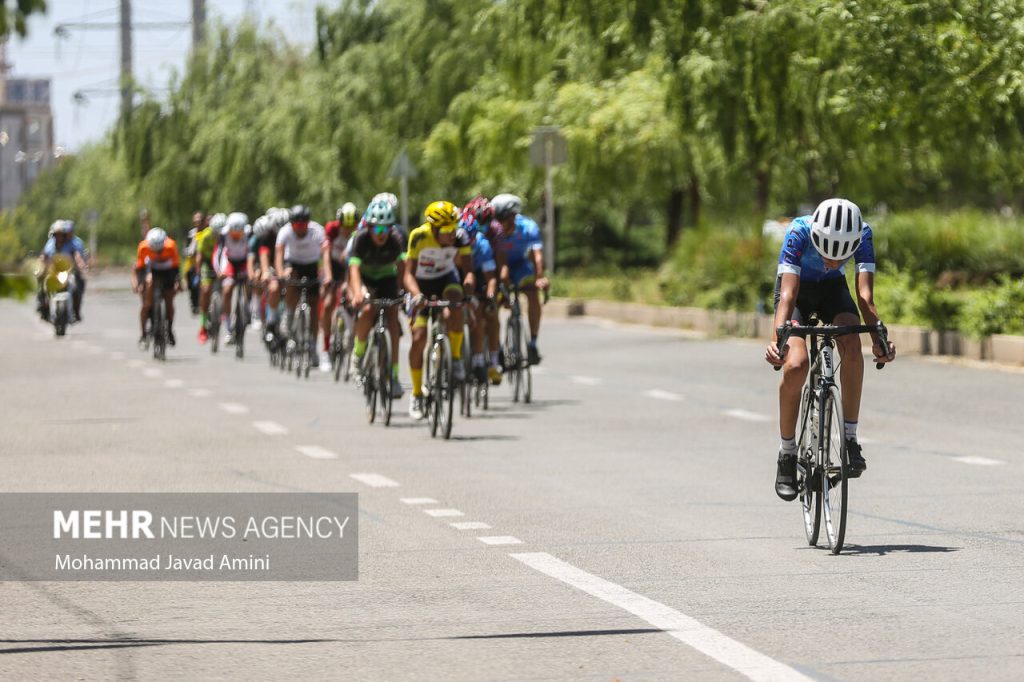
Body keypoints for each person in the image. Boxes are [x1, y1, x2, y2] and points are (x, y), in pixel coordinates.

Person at [764, 198, 897, 501]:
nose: (834, 263)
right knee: (796, 364)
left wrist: (879, 336)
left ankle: (850, 439)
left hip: (832, 292)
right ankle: (786, 454)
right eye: (827, 254)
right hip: (797, 292)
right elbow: (787, 294)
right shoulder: (798, 231)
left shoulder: (863, 234)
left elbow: (864, 296)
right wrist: (777, 341)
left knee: (852, 343)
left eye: (841, 258)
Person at [404, 200, 474, 420]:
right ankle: (416, 393)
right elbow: (407, 274)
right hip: (421, 284)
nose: (452, 234)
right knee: (418, 337)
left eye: (454, 228)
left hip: (446, 279)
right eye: (446, 230)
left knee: (455, 302)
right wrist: (416, 296)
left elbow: (469, 272)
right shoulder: (419, 236)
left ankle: (455, 358)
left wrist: (469, 293)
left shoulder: (461, 237)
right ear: (434, 228)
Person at [347, 198, 406, 397]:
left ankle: (394, 376)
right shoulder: (360, 238)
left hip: (386, 278)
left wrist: (402, 291)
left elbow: (402, 269)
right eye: (377, 230)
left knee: (393, 322)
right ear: (370, 228)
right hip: (365, 279)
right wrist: (357, 293)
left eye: (386, 229)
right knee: (367, 309)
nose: (382, 235)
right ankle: (357, 355)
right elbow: (354, 269)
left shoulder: (396, 239)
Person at [487, 193, 549, 365]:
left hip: (520, 266)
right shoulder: (491, 229)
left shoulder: (528, 226)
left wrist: (540, 278)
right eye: (505, 219)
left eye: (512, 218)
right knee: (493, 302)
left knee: (532, 293)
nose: (510, 223)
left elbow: (537, 256)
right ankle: (496, 347)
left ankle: (533, 343)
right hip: (497, 266)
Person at [275, 204, 331, 365]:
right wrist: (280, 274)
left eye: (303, 224)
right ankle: (289, 314)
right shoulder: (285, 232)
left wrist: (328, 275)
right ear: (292, 224)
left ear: (308, 223)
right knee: (290, 276)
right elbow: (279, 256)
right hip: (293, 263)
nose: (300, 228)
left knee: (314, 308)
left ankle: (312, 346)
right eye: (297, 225)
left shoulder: (317, 231)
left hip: (311, 265)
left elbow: (325, 255)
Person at [459, 196, 501, 384]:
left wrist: (491, 296)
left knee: (488, 315)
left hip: (479, 273)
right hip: (457, 274)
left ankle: (489, 362)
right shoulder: (454, 242)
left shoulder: (483, 244)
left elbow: (491, 278)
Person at [320, 202, 359, 369]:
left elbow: (355, 262)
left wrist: (349, 284)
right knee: (328, 303)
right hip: (334, 266)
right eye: (345, 226)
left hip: (351, 266)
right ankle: (326, 349)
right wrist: (328, 276)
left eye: (352, 226)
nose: (348, 230)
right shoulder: (331, 229)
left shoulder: (359, 232)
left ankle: (353, 338)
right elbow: (326, 255)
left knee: (353, 300)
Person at [131, 227, 180, 347]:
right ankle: (143, 334)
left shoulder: (171, 246)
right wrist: (137, 284)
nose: (157, 253)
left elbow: (176, 267)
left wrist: (178, 282)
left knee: (169, 301)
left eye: (160, 250)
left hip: (167, 270)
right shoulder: (143, 247)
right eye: (155, 250)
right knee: (147, 301)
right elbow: (138, 269)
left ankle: (169, 328)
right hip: (150, 269)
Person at [38, 220, 90, 322]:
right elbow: (44, 257)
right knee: (43, 288)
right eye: (57, 235)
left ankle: (76, 311)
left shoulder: (71, 245)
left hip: (67, 273)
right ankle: (44, 308)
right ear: (54, 235)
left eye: (61, 235)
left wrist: (82, 265)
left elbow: (77, 257)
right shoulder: (50, 245)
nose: (59, 237)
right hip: (52, 273)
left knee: (75, 287)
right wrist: (40, 267)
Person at [216, 212, 251, 345]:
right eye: (233, 234)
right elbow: (218, 253)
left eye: (239, 234)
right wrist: (220, 270)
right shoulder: (223, 235)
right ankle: (229, 327)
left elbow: (252, 254)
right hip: (229, 262)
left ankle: (247, 307)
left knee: (249, 281)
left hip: (244, 262)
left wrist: (251, 271)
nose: (236, 236)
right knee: (227, 290)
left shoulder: (249, 233)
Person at [195, 213, 226, 343]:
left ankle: (223, 312)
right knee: (206, 290)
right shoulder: (206, 236)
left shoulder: (226, 236)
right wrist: (198, 272)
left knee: (226, 288)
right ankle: (203, 326)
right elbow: (199, 256)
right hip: (207, 264)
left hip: (222, 261)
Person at [183, 211, 205, 315]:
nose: (198, 221)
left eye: (200, 219)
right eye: (196, 219)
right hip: (192, 263)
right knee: (192, 283)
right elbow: (187, 249)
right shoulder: (191, 234)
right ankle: (194, 302)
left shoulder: (207, 233)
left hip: (204, 261)